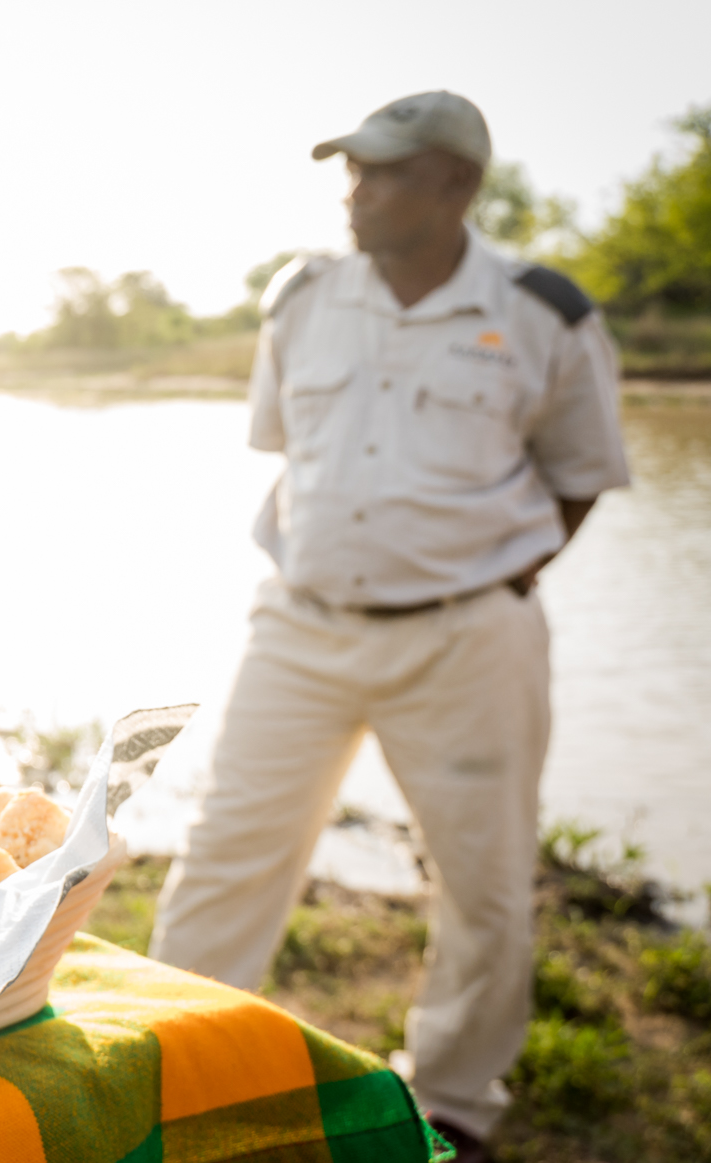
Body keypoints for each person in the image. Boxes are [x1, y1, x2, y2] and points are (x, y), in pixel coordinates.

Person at [149, 92, 629, 1162]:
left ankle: (455, 1097)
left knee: (481, 874)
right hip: (297, 627)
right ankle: (175, 1066)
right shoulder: (300, 296)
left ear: (454, 184)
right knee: (226, 847)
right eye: (349, 169)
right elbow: (283, 445)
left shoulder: (544, 312)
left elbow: (580, 475)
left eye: (381, 172)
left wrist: (477, 579)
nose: (351, 190)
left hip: (465, 641)